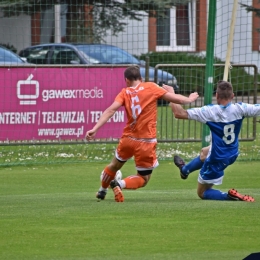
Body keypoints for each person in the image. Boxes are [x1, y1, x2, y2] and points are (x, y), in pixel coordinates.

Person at [86, 66, 199, 202]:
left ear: (126, 80)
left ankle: (102, 191)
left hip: (128, 139)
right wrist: (190, 99)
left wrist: (95, 128)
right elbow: (176, 99)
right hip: (146, 142)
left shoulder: (124, 92)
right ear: (141, 78)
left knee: (113, 166)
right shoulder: (151, 87)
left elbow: (110, 110)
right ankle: (119, 184)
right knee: (143, 178)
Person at [163, 80, 258, 202]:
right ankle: (184, 170)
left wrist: (172, 94)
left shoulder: (210, 111)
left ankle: (230, 197)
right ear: (232, 96)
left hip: (218, 158)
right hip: (233, 152)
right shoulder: (241, 108)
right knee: (204, 152)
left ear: (216, 96)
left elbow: (178, 113)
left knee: (202, 192)